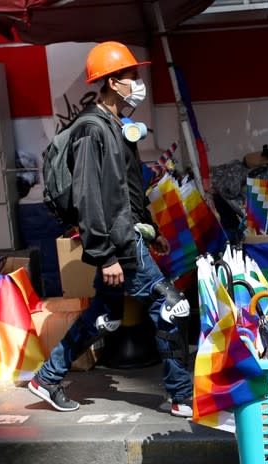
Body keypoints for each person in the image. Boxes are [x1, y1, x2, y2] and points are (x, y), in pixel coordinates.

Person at [29, 41, 194, 417]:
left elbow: (128, 190)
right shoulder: (91, 129)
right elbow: (89, 197)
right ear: (111, 81)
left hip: (128, 235)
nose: (138, 81)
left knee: (106, 316)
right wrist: (105, 256)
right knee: (171, 306)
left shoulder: (117, 125)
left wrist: (151, 227)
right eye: (132, 75)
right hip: (117, 242)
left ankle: (47, 377)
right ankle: (182, 396)